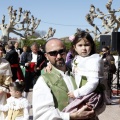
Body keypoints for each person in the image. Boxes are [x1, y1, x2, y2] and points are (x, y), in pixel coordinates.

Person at [33, 38, 95, 120]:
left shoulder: (77, 73)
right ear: (46, 56)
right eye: (53, 53)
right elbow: (42, 114)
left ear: (66, 52)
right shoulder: (43, 81)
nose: (58, 56)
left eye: (61, 52)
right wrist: (71, 116)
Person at [0, 45, 12, 120]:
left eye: (1, 50)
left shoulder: (6, 63)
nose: (1, 51)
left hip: (1, 91)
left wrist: (1, 90)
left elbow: (8, 79)